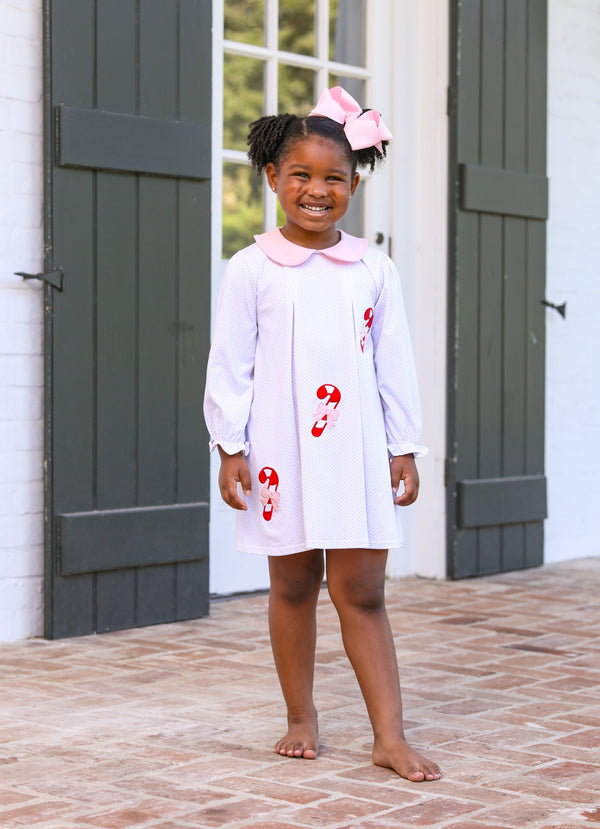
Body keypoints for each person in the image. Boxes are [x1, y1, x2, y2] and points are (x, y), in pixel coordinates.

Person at [204, 87, 441, 782]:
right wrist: (230, 447)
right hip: (280, 453)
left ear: (354, 185)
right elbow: (231, 364)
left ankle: (388, 734)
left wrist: (405, 444)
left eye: (333, 177)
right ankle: (300, 716)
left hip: (358, 450)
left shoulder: (373, 268)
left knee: (362, 589)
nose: (316, 189)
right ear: (273, 178)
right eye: (300, 175)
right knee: (294, 583)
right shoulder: (249, 268)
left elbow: (394, 360)